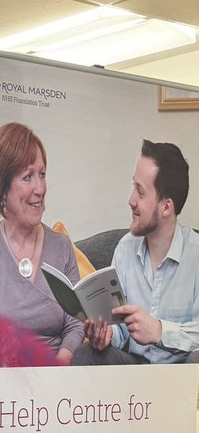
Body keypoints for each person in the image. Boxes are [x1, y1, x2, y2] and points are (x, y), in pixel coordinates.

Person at [76, 139, 199, 364]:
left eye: (140, 192)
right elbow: (120, 329)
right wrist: (106, 335)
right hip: (134, 368)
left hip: (183, 373)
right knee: (86, 354)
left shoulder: (196, 255)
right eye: (134, 186)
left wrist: (161, 331)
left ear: (166, 207)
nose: (131, 200)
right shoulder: (125, 248)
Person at [0, 122, 82, 364]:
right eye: (27, 177)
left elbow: (76, 323)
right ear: (2, 189)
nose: (40, 188)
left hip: (61, 373)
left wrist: (60, 362)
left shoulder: (62, 246)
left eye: (42, 174)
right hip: (7, 379)